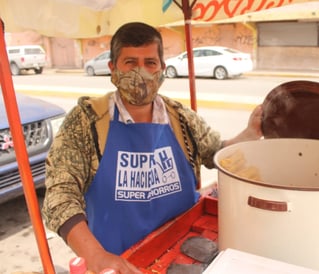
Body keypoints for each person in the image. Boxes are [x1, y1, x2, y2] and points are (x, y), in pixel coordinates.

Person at [42, 22, 262, 274]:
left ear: (162, 69)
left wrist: (250, 133)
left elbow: (216, 153)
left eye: (150, 63)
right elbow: (59, 198)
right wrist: (95, 256)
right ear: (113, 68)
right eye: (130, 63)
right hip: (117, 263)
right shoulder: (86, 121)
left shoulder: (181, 118)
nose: (142, 72)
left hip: (184, 251)